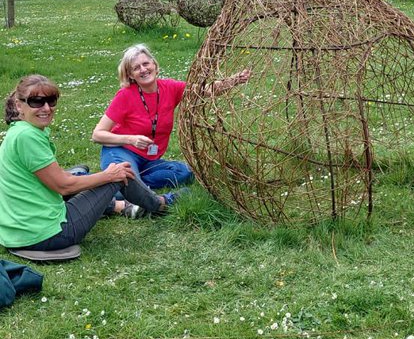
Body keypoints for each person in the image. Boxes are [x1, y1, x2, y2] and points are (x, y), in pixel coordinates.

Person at [0, 74, 170, 256]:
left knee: (86, 175)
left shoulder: (18, 131)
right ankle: (161, 204)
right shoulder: (28, 137)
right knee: (120, 173)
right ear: (19, 105)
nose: (47, 108)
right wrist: (109, 175)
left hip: (17, 231)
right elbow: (64, 186)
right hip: (48, 234)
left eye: (51, 101)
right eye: (36, 102)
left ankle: (120, 206)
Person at [92, 44, 250, 199]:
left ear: (154, 65)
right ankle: (123, 187)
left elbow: (205, 91)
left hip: (148, 159)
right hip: (121, 151)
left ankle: (128, 183)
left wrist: (235, 80)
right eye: (136, 68)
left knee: (185, 173)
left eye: (146, 63)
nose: (143, 69)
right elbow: (97, 135)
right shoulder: (125, 95)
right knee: (127, 181)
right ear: (131, 75)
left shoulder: (170, 88)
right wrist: (131, 139)